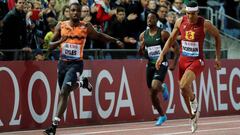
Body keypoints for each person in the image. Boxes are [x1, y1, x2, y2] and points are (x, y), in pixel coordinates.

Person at [43, 2, 123, 135]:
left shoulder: (86, 26)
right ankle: (82, 83)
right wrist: (59, 41)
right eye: (72, 10)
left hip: (76, 64)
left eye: (77, 11)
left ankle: (53, 126)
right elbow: (49, 46)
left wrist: (115, 40)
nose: (75, 13)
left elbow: (99, 36)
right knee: (66, 91)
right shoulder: (61, 25)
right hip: (62, 64)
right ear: (68, 11)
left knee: (64, 92)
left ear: (80, 13)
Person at [155, 1, 221, 133]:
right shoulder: (180, 21)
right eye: (188, 14)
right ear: (185, 13)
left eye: (193, 14)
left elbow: (217, 37)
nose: (190, 17)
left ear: (197, 13)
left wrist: (217, 57)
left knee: (183, 85)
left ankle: (193, 99)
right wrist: (161, 55)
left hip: (197, 61)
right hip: (183, 60)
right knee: (182, 91)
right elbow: (171, 39)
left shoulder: (205, 23)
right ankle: (192, 116)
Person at [139, 12, 179, 126]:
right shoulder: (143, 35)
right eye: (148, 18)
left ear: (157, 20)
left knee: (155, 85)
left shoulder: (163, 33)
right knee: (152, 94)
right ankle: (162, 115)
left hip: (162, 63)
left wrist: (174, 63)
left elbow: (176, 47)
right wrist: (141, 49)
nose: (149, 20)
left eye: (152, 18)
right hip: (150, 65)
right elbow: (142, 53)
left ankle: (161, 87)